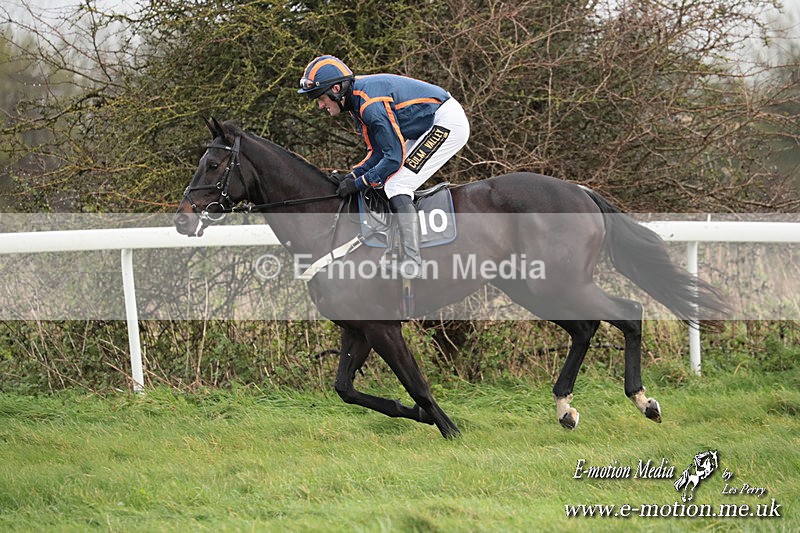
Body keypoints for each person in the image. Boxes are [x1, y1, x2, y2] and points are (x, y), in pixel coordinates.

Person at [298, 55, 470, 278]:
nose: (320, 105)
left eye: (320, 98)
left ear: (337, 89)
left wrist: (359, 183)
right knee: (387, 180)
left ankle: (412, 261)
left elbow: (393, 158)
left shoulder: (369, 105)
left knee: (397, 184)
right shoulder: (356, 102)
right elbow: (378, 152)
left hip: (445, 122)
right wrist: (353, 175)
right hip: (428, 123)